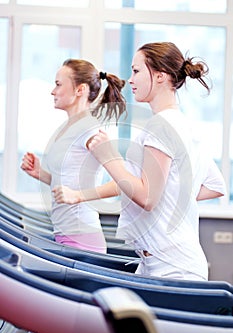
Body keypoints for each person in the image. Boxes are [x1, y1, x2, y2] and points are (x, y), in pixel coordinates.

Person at [53, 42, 226, 280]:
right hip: (158, 262)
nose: (130, 79)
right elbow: (215, 186)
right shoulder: (183, 125)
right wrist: (167, 193)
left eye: (136, 71)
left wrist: (109, 156)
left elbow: (147, 197)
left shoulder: (162, 125)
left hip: (172, 267)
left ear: (160, 76)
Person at [21, 58, 126, 253]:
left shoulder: (88, 129)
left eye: (59, 84)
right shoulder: (70, 127)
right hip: (65, 235)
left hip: (82, 241)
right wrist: (40, 173)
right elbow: (69, 183)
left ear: (80, 90)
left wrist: (78, 196)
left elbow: (123, 182)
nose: (53, 91)